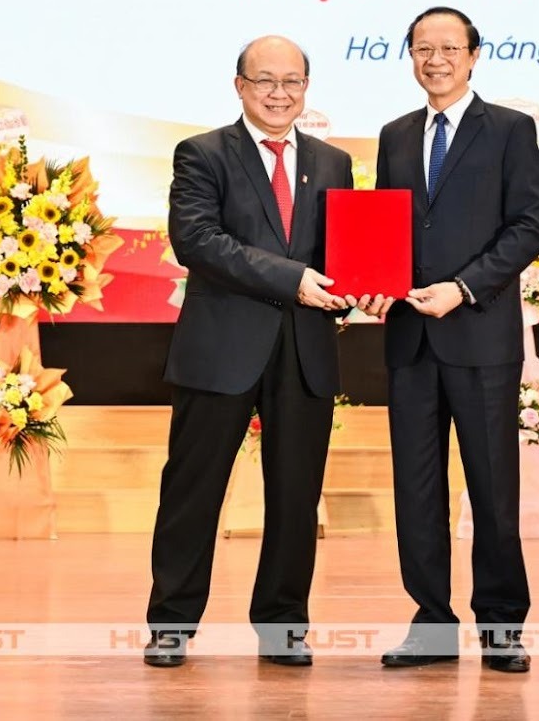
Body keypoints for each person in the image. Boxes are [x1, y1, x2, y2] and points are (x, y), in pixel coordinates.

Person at [145, 35, 354, 668]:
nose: (278, 94)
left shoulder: (334, 162)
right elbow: (198, 240)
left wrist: (361, 288)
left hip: (306, 350)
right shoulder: (203, 153)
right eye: (265, 80)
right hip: (221, 350)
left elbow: (340, 253)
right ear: (240, 86)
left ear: (306, 88)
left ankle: (284, 627)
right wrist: (293, 279)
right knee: (193, 491)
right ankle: (172, 624)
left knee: (295, 498)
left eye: (292, 82)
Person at [367, 6, 539, 674]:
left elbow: (528, 227)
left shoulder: (509, 129)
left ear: (474, 55)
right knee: (416, 492)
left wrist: (463, 287)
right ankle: (431, 622)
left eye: (449, 48)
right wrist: (372, 280)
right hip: (410, 337)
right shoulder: (394, 135)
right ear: (410, 56)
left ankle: (501, 626)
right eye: (423, 48)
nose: (435, 59)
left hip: (480, 335)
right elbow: (386, 228)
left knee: (493, 489)